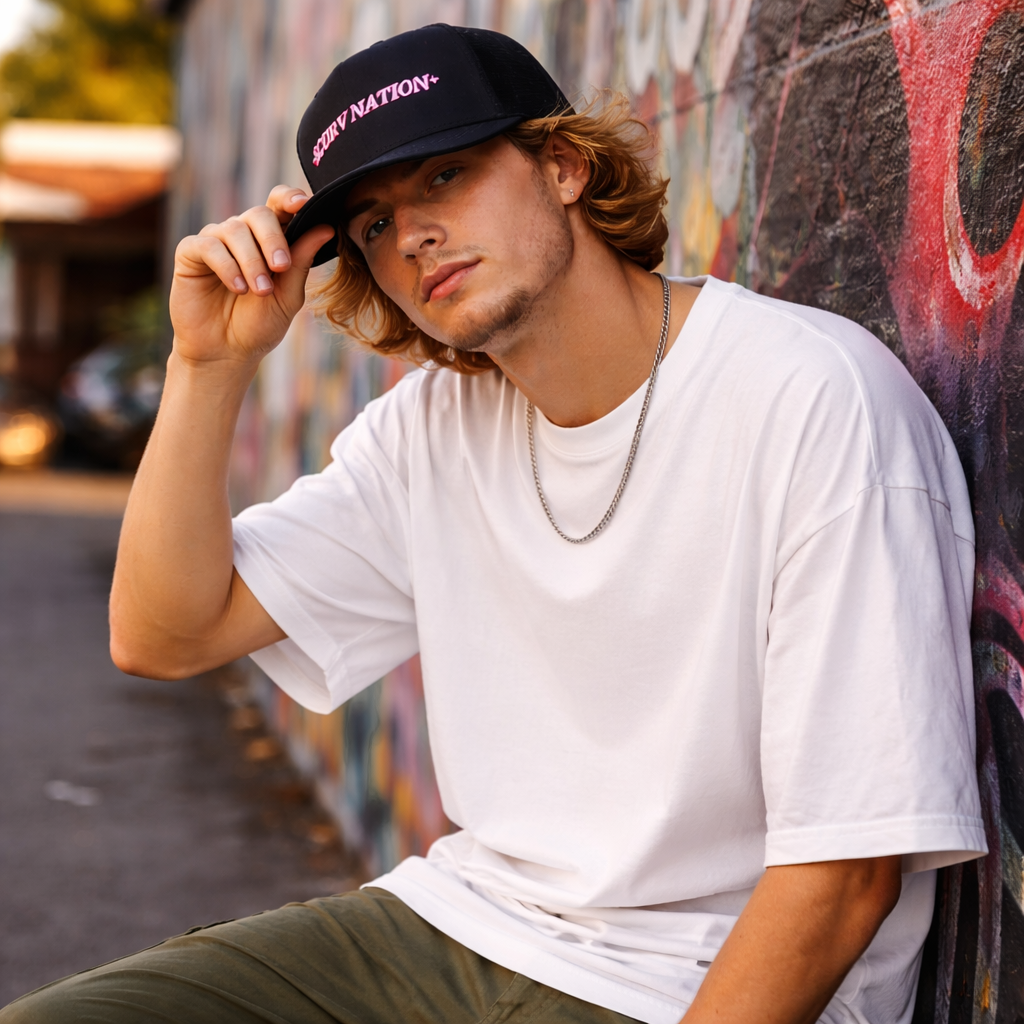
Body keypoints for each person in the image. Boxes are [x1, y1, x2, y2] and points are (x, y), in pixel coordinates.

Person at [1, 22, 985, 1024]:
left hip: (685, 980)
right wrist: (208, 366)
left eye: (446, 176)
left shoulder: (811, 398)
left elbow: (844, 878)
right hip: (459, 925)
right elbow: (164, 634)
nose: (411, 235)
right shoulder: (431, 430)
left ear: (563, 166)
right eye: (373, 224)